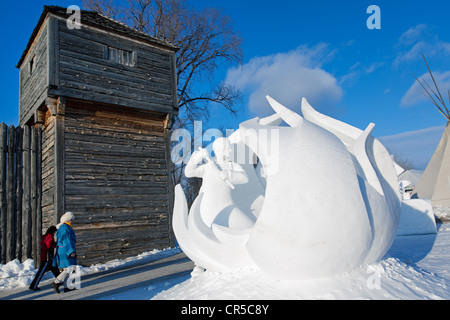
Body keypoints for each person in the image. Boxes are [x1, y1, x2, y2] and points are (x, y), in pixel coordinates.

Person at [52, 212, 78, 293]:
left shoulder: (66, 227)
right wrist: (70, 251)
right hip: (65, 250)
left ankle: (67, 286)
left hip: (65, 249)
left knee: (69, 268)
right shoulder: (65, 228)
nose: (73, 220)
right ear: (69, 220)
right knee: (68, 268)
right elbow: (67, 240)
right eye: (72, 219)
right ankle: (56, 282)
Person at [28, 226, 60, 291]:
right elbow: (48, 246)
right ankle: (33, 285)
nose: (55, 232)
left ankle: (59, 280)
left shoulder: (44, 236)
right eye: (55, 231)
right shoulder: (50, 236)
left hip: (44, 256)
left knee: (54, 269)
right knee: (41, 272)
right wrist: (55, 244)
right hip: (47, 257)